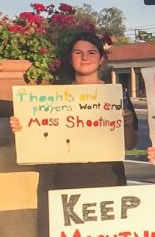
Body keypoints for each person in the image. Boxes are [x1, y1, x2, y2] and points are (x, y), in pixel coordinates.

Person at [10, 31, 137, 188]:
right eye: (78, 53)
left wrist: (128, 123)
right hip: (63, 179)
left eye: (91, 52)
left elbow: (130, 144)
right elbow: (40, 139)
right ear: (70, 59)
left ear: (101, 59)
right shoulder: (54, 97)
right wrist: (21, 126)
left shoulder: (116, 96)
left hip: (108, 178)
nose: (85, 58)